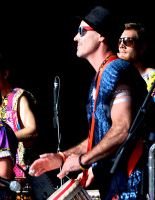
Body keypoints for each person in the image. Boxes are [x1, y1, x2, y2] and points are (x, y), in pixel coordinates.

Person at [29, 5, 153, 200]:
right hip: (117, 184)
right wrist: (62, 158)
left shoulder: (116, 69)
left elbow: (122, 129)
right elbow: (101, 136)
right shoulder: (100, 76)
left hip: (131, 184)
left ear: (101, 36)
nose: (75, 38)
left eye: (82, 32)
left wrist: (82, 161)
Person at [0, 52, 39, 197]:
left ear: (5, 74)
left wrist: (2, 137)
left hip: (23, 174)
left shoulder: (19, 96)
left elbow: (33, 130)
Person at [118, 22, 155, 101]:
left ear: (142, 48)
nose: (121, 45)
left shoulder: (153, 78)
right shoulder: (118, 76)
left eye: (128, 41)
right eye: (119, 41)